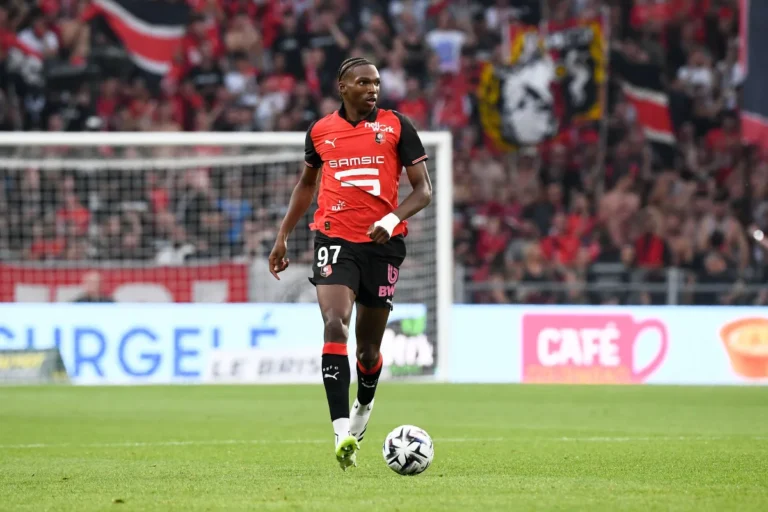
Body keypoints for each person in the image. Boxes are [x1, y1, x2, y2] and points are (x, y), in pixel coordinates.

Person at [268, 57, 432, 470]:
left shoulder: (396, 126)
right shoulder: (320, 131)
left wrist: (391, 219)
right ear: (343, 87)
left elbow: (423, 191)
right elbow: (307, 185)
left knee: (369, 350)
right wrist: (283, 235)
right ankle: (341, 432)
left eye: (375, 82)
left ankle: (364, 403)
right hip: (334, 238)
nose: (372, 88)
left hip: (382, 245)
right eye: (363, 82)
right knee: (334, 323)